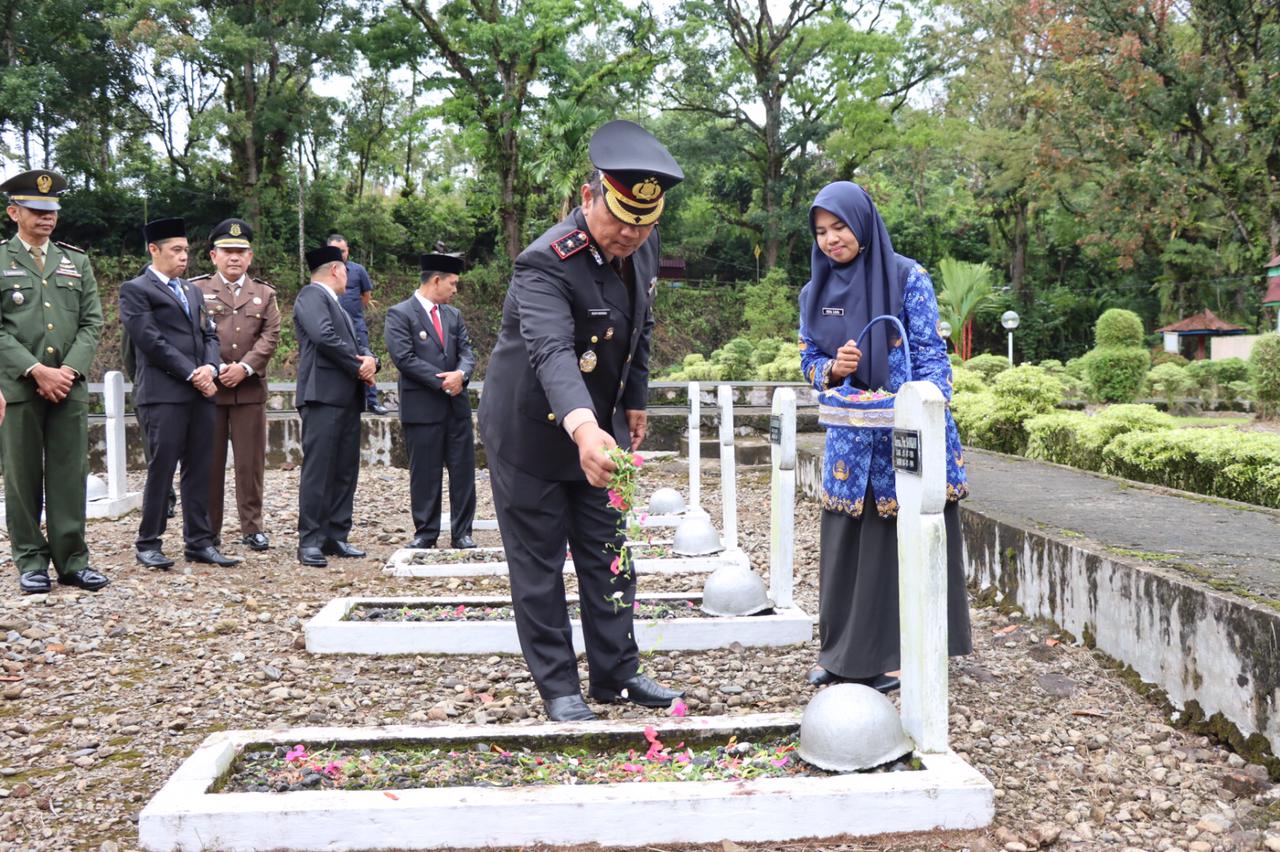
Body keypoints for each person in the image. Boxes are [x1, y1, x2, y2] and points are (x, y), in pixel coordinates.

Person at [478, 120, 685, 722]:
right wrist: (584, 427)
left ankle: (616, 673)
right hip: (535, 433)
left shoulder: (639, 247)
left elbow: (638, 328)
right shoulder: (543, 263)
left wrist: (634, 401)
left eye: (643, 224)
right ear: (590, 196)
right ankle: (558, 685)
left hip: (601, 428)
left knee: (610, 551)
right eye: (619, 220)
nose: (629, 235)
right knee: (539, 563)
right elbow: (552, 352)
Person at [798, 180, 972, 693]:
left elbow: (931, 354)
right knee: (846, 547)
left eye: (840, 228)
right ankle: (841, 654)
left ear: (864, 223)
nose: (832, 240)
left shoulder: (906, 277)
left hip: (906, 434)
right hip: (852, 440)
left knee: (902, 542)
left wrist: (923, 409)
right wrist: (833, 368)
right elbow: (809, 361)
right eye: (822, 232)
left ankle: (900, 654)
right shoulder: (815, 292)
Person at [0, 169, 108, 594]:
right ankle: (30, 560)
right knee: (21, 475)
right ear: (14, 212)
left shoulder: (75, 261)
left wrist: (67, 371)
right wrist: (35, 369)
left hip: (69, 385)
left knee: (68, 473)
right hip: (20, 386)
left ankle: (72, 560)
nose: (46, 218)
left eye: (52, 211)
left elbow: (92, 322)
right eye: (36, 210)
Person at [120, 217, 242, 569]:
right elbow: (150, 342)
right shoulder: (136, 290)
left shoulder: (191, 290)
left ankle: (199, 541)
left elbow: (209, 335)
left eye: (186, 250)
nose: (184, 257)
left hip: (201, 391)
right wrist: (192, 373)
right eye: (176, 250)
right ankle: (149, 541)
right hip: (163, 394)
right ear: (153, 250)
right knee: (162, 468)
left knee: (201, 466)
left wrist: (209, 367)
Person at [191, 219, 281, 551]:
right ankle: (208, 530)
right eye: (227, 251)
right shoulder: (195, 290)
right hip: (209, 391)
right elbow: (192, 335)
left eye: (241, 252)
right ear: (213, 255)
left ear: (250, 256)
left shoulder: (264, 293)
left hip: (249, 391)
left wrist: (244, 368)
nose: (234, 258)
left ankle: (252, 527)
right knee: (209, 463)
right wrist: (214, 368)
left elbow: (270, 337)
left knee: (250, 464)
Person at [384, 251, 478, 550]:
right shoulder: (400, 314)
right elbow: (405, 358)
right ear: (435, 281)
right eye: (452, 283)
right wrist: (445, 381)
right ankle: (426, 532)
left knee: (463, 472)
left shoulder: (454, 315)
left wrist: (461, 374)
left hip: (456, 407)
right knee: (425, 473)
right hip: (423, 408)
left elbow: (467, 351)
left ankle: (462, 532)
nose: (455, 289)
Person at [294, 244, 377, 567]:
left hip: (346, 396)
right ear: (335, 270)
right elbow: (325, 337)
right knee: (320, 470)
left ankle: (336, 535)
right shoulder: (311, 296)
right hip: (322, 395)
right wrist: (360, 366)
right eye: (346, 269)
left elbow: (356, 345)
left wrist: (372, 363)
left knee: (344, 470)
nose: (349, 274)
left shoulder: (339, 306)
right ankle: (310, 539)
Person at [327, 234, 387, 415]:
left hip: (356, 324)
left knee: (366, 360)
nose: (340, 254)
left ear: (348, 251)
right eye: (335, 251)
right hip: (331, 327)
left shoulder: (358, 270)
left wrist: (352, 312)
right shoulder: (323, 273)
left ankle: (372, 401)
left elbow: (366, 296)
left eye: (343, 251)